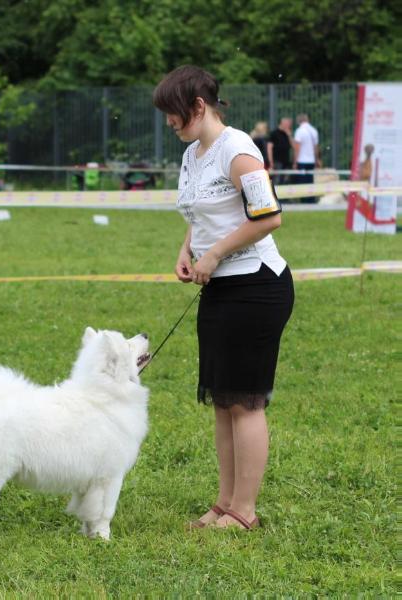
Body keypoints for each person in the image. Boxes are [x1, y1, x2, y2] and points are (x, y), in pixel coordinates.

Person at [153, 65, 294, 531]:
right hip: (218, 286)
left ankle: (245, 512)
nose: (169, 123)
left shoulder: (238, 152)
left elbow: (268, 217)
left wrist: (212, 254)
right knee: (222, 398)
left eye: (174, 115)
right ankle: (223, 503)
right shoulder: (193, 153)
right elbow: (197, 212)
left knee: (245, 401)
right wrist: (187, 252)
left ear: (197, 107)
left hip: (256, 286)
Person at [293, 114, 320, 203]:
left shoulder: (299, 131)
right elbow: (316, 147)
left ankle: (304, 200)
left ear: (299, 121)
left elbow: (297, 148)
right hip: (311, 161)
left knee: (302, 181)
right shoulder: (313, 130)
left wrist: (295, 161)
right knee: (310, 180)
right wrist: (316, 159)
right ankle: (311, 200)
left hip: (302, 161)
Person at [267, 117, 294, 185]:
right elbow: (269, 147)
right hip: (277, 161)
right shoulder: (274, 133)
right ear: (282, 123)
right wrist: (271, 161)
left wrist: (289, 135)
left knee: (285, 180)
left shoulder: (288, 134)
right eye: (288, 124)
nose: (289, 126)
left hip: (286, 161)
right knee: (277, 180)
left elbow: (293, 146)